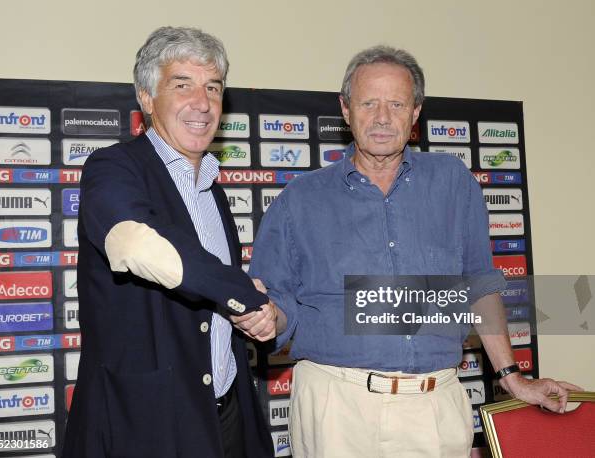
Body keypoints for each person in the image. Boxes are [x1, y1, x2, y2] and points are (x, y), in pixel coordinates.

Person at [231, 46, 580, 457]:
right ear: (346, 110)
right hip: (335, 409)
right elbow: (279, 302)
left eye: (396, 104)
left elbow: (479, 284)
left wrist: (511, 376)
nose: (382, 117)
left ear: (415, 114)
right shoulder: (300, 199)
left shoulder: (454, 183)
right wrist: (268, 316)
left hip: (433, 406)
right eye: (368, 103)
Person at [63, 26, 275, 458]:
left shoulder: (212, 189)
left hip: (227, 414)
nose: (202, 103)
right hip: (144, 425)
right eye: (182, 85)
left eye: (213, 87)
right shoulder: (113, 168)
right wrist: (244, 296)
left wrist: (261, 318)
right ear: (146, 97)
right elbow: (137, 246)